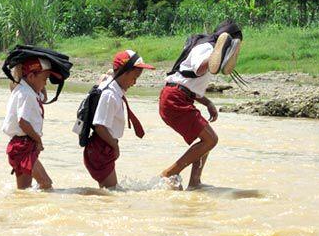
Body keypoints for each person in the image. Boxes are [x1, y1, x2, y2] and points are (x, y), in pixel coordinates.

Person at [159, 21, 242, 189]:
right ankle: (170, 173)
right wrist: (214, 58)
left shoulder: (207, 47)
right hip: (175, 98)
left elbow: (188, 81)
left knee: (207, 139)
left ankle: (195, 182)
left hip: (179, 96)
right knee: (211, 139)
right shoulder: (206, 48)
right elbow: (198, 69)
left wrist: (207, 102)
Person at [83, 50, 155, 189]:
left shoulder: (113, 85)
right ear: (124, 72)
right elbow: (99, 126)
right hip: (101, 147)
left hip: (103, 146)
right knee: (111, 193)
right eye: (134, 77)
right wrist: (115, 146)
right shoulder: (110, 95)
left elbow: (107, 75)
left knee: (108, 193)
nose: (134, 83)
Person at [2, 57, 60, 190]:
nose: (45, 84)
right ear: (32, 76)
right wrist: (38, 140)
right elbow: (23, 122)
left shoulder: (25, 89)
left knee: (24, 190)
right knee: (46, 183)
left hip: (19, 145)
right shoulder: (26, 94)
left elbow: (42, 97)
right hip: (23, 146)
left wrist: (42, 87)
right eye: (44, 80)